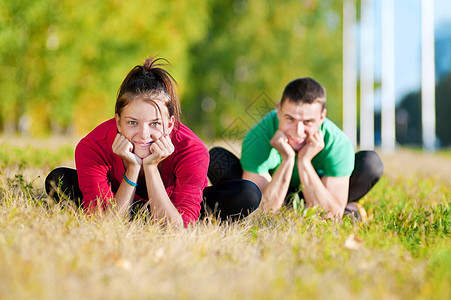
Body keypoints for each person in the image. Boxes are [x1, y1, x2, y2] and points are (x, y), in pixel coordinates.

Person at [45, 56, 261, 228]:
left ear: (170, 125)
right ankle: (135, 211)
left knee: (247, 193)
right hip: (118, 197)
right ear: (117, 122)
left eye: (155, 123)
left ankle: (145, 213)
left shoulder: (192, 149)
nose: (143, 134)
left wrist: (150, 167)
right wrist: (132, 170)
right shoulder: (92, 146)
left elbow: (176, 229)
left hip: (172, 203)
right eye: (132, 122)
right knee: (59, 180)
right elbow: (106, 226)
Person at [208, 77, 383, 220]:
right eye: (290, 119)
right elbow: (261, 211)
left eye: (308, 122)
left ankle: (339, 204)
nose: (298, 132)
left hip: (318, 187)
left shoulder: (338, 143)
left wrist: (304, 161)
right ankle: (348, 210)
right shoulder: (257, 137)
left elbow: (331, 216)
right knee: (217, 159)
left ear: (322, 117)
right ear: (278, 110)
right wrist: (287, 159)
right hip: (273, 188)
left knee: (370, 163)